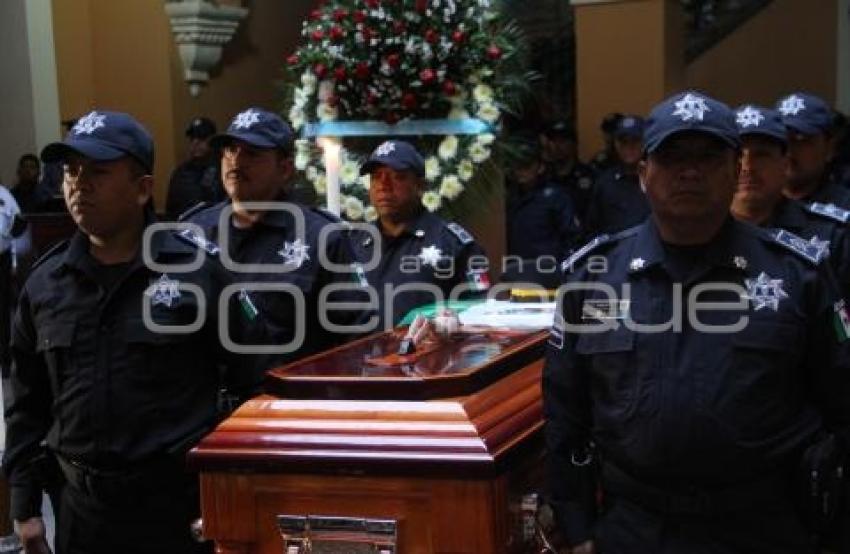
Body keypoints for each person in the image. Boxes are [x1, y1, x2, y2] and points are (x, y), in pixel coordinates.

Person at [544, 91, 850, 553]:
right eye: (672, 157)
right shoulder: (594, 276)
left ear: (735, 170)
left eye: (709, 157)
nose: (690, 171)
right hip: (633, 528)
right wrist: (578, 527)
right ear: (644, 174)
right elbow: (566, 412)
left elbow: (841, 407)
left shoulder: (797, 273)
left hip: (765, 527)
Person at [3, 110, 254, 554]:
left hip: (177, 511)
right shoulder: (45, 284)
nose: (79, 184)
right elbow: (26, 403)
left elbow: (252, 383)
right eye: (71, 171)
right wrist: (24, 507)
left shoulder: (201, 272)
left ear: (142, 189)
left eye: (98, 172)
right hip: (82, 511)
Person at [182, 107, 356, 397]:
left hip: (285, 410)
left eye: (252, 153)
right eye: (230, 150)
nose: (236, 161)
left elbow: (356, 338)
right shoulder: (191, 230)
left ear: (285, 169)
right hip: (200, 415)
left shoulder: (321, 237)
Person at [350, 140, 490, 330]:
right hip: (361, 356)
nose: (383, 186)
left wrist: (452, 324)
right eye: (376, 177)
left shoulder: (453, 244)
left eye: (397, 177)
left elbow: (479, 312)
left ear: (420, 186)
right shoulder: (354, 243)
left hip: (429, 355)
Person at [731, 104, 850, 295]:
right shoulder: (692, 231)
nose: (747, 167)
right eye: (738, 155)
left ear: (784, 164)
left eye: (761, 155)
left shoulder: (832, 234)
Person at [503, 135, 579, 287]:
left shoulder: (555, 197)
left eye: (526, 166)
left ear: (540, 167)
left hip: (549, 273)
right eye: (517, 166)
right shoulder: (508, 197)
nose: (521, 171)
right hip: (517, 271)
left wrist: (564, 269)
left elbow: (572, 237)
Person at [777, 92, 850, 208]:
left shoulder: (845, 208)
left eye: (801, 140)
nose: (788, 151)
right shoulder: (752, 205)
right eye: (781, 138)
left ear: (830, 149)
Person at [583, 115, 650, 237]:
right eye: (623, 141)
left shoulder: (658, 180)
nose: (629, 146)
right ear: (615, 144)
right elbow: (592, 230)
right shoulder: (604, 183)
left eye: (635, 140)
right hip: (614, 252)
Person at [165, 117, 223, 219]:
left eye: (202, 138)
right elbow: (170, 212)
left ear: (213, 140)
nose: (195, 143)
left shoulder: (224, 170)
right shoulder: (180, 173)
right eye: (192, 138)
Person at [540, 121, 596, 221]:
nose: (557, 146)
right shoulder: (543, 178)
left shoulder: (590, 176)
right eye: (554, 141)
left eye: (562, 141)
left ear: (574, 144)